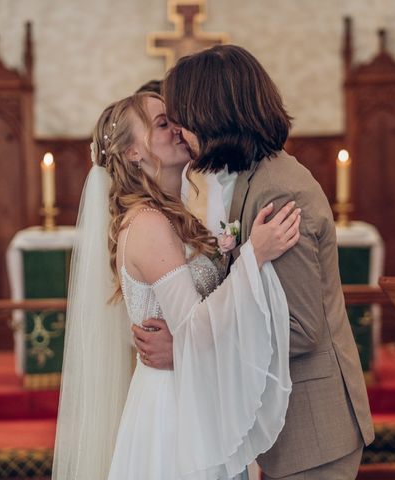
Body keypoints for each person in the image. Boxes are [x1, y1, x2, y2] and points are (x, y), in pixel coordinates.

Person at [135, 45, 375, 480]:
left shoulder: (278, 193)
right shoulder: (251, 179)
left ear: (211, 114)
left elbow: (301, 330)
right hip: (296, 429)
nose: (181, 132)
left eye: (183, 118)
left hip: (314, 433)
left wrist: (191, 350)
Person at [52, 91, 302, 480]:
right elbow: (194, 326)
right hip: (174, 406)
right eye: (162, 123)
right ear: (133, 152)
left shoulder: (174, 215)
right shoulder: (149, 224)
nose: (178, 129)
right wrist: (255, 255)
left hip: (196, 391)